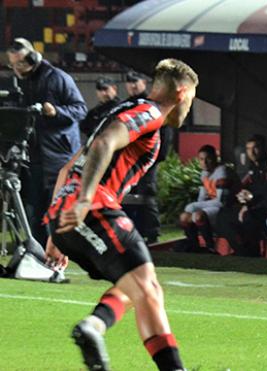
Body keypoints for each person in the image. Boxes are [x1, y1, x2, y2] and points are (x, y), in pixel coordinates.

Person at [43, 58, 198, 371]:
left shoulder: (126, 111)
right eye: (193, 99)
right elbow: (104, 142)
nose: (190, 106)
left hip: (70, 211)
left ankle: (94, 326)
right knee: (148, 289)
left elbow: (67, 167)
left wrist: (54, 235)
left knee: (135, 284)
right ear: (182, 93)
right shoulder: (150, 112)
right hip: (92, 207)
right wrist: (86, 199)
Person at [6, 37, 87, 246]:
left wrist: (56, 111)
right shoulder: (22, 82)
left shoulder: (58, 78)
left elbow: (80, 109)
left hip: (60, 157)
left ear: (33, 58)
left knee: (56, 210)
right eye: (12, 64)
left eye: (20, 63)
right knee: (34, 211)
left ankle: (60, 253)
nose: (16, 69)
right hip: (34, 156)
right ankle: (38, 253)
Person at [122, 70, 173, 243]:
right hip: (129, 160)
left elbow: (165, 131)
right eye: (129, 82)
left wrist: (158, 156)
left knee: (147, 194)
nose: (133, 85)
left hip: (148, 159)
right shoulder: (125, 105)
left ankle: (152, 233)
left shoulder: (153, 105)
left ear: (144, 82)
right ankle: (129, 231)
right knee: (125, 195)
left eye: (136, 81)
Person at [178, 145, 234, 253]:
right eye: (201, 159)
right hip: (213, 206)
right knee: (184, 217)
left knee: (198, 215)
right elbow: (202, 198)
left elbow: (221, 202)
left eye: (208, 159)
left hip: (226, 209)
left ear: (215, 158)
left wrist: (194, 207)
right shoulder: (204, 173)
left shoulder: (222, 172)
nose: (204, 162)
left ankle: (210, 247)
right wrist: (194, 208)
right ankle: (194, 246)